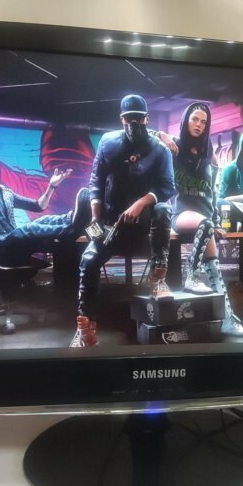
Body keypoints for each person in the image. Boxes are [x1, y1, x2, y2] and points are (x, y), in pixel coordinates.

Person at [72, 94, 176, 347]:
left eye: (139, 118)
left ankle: (158, 279)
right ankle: (86, 329)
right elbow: (96, 182)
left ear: (147, 119)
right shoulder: (108, 143)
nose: (134, 123)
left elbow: (168, 187)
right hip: (112, 225)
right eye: (129, 119)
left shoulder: (160, 149)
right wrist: (96, 219)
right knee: (88, 260)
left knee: (163, 209)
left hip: (144, 228)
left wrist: (141, 203)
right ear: (122, 119)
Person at [161, 102, 243, 337]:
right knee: (205, 224)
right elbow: (145, 134)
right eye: (194, 119)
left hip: (205, 218)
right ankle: (191, 274)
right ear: (185, 121)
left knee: (215, 269)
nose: (198, 125)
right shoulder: (174, 147)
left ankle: (227, 319)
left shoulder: (208, 154)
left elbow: (212, 193)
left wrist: (217, 222)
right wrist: (161, 135)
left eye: (203, 121)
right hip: (181, 213)